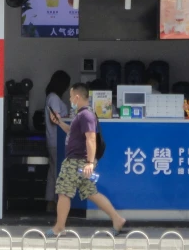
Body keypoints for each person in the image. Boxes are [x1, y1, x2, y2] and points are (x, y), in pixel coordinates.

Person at [47, 83, 127, 237]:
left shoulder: (86, 115)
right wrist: (59, 122)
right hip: (80, 161)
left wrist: (90, 163)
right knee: (91, 193)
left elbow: (91, 138)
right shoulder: (82, 115)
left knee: (63, 192)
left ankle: (59, 227)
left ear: (77, 97)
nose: (70, 100)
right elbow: (73, 133)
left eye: (71, 97)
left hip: (76, 161)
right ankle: (117, 219)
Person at [43, 70, 71, 212]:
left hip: (54, 140)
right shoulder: (54, 98)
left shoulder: (53, 97)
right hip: (56, 140)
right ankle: (55, 203)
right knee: (57, 172)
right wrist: (68, 125)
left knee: (53, 171)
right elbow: (55, 119)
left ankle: (50, 203)